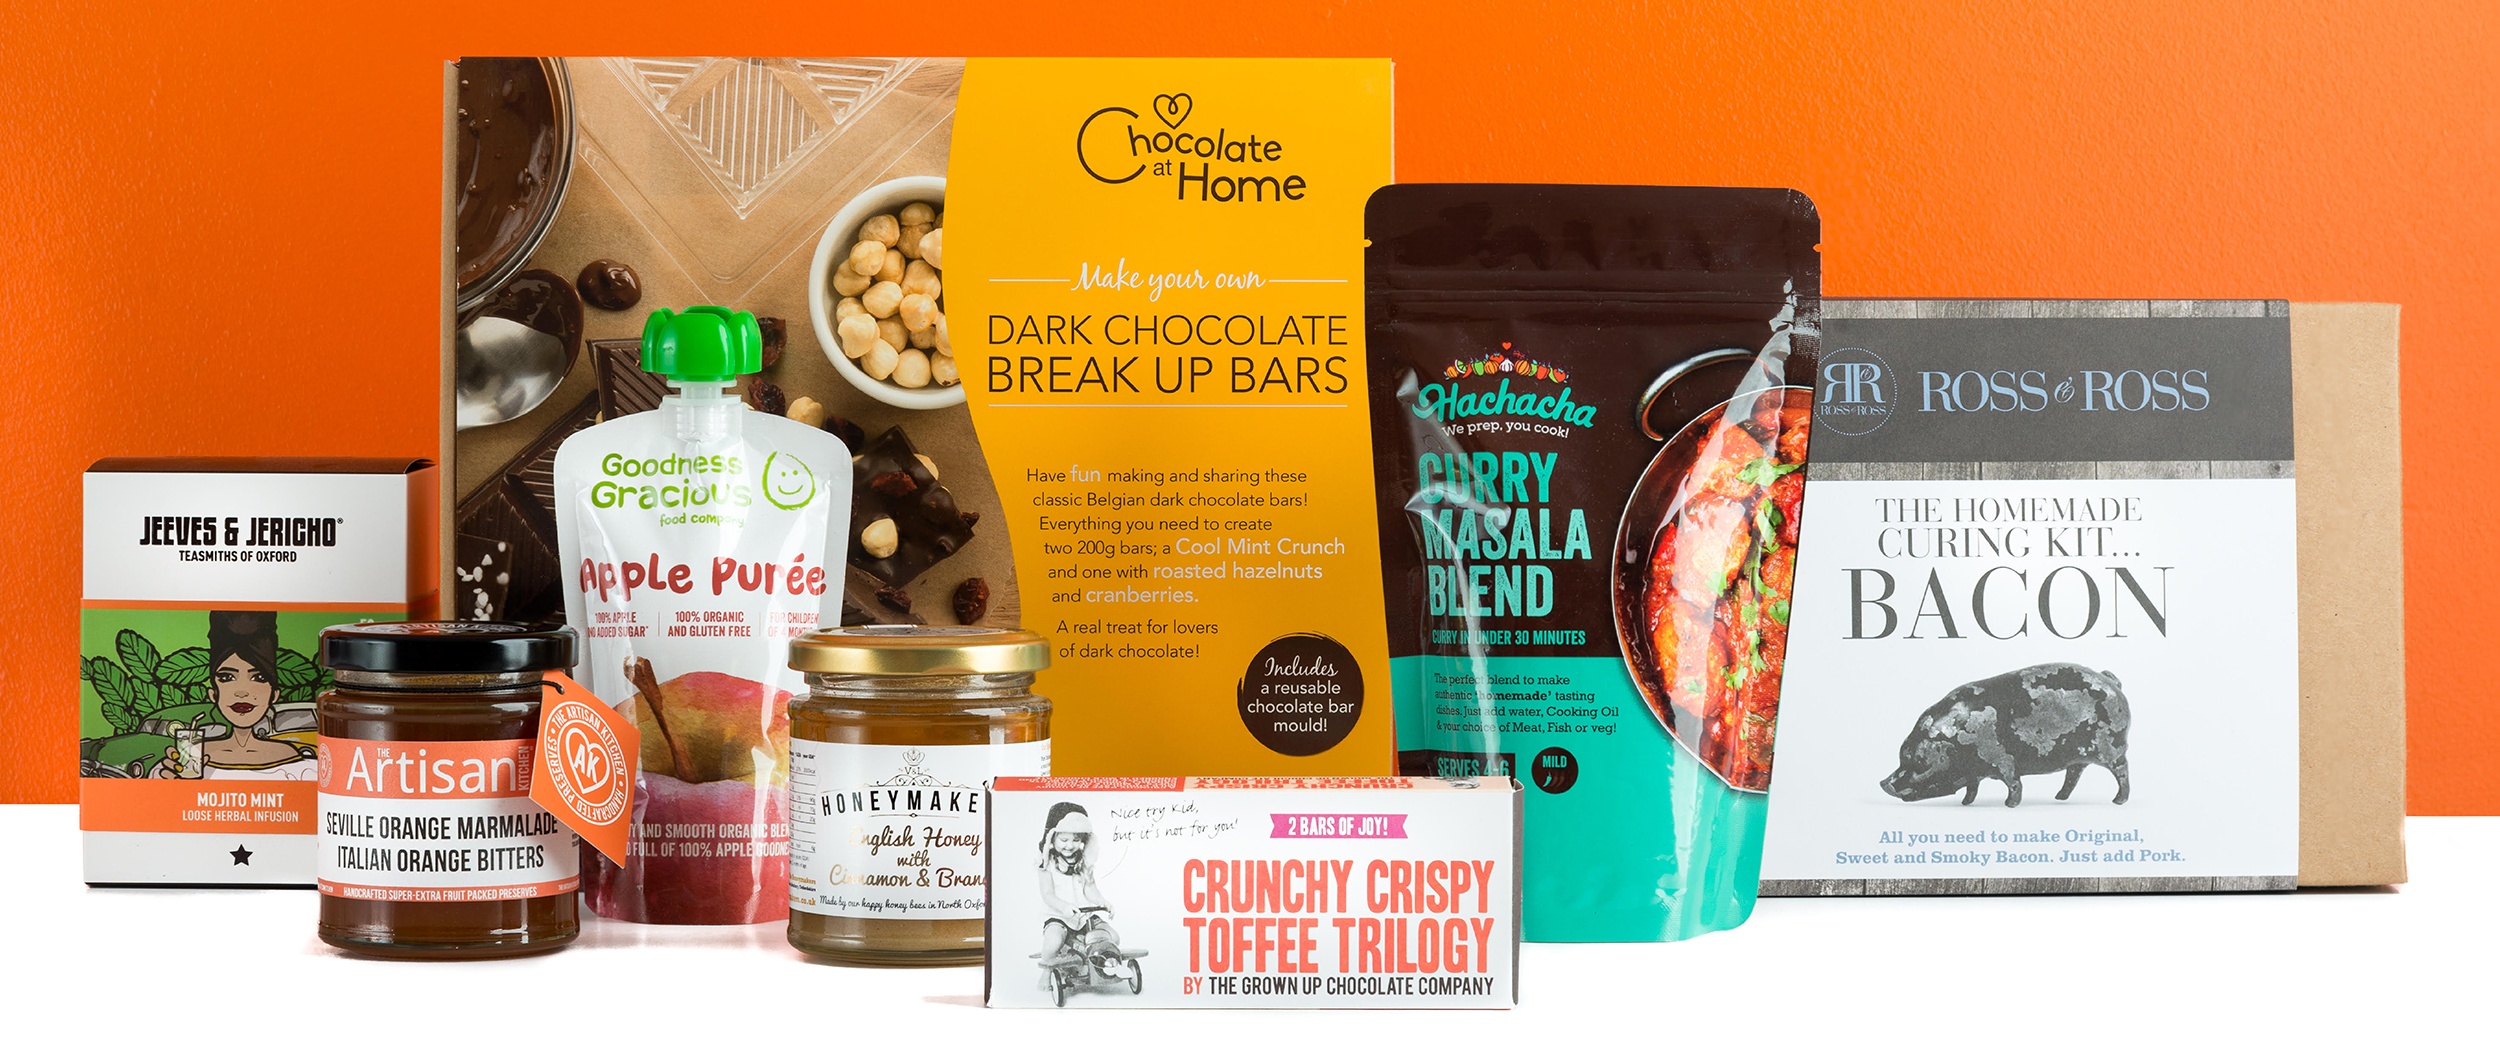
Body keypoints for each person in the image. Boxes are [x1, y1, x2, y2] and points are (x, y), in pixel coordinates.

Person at [156, 610, 314, 780]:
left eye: (259, 678)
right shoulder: (192, 758)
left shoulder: (297, 764)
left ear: (274, 695)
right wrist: (174, 786)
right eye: (227, 677)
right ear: (213, 694)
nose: (242, 692)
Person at [1037, 802, 1124, 977]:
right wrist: (1064, 907)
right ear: (1051, 838)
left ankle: (1102, 965)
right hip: (1059, 916)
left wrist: (1102, 901)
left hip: (1084, 916)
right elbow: (1047, 895)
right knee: (1053, 941)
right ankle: (1046, 972)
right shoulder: (1046, 865)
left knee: (1113, 937)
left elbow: (1089, 888)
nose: (1070, 846)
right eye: (1064, 840)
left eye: (1076, 840)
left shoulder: (1084, 863)